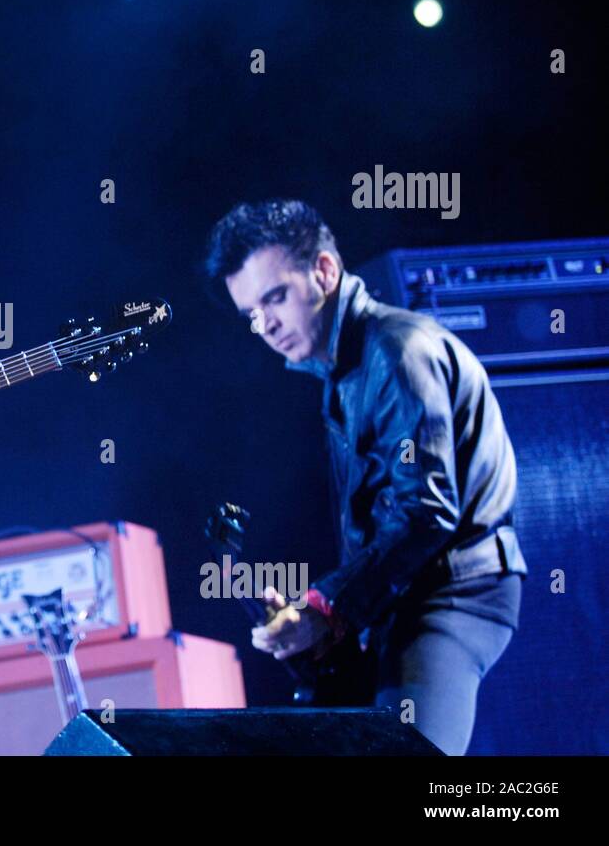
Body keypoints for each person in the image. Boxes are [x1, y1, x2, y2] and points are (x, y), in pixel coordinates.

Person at [204, 199, 527, 755]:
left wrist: (328, 607)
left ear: (324, 271)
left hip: (457, 592)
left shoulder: (397, 353)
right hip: (411, 595)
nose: (265, 325)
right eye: (251, 313)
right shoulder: (344, 371)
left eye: (274, 297)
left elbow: (425, 512)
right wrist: (317, 617)